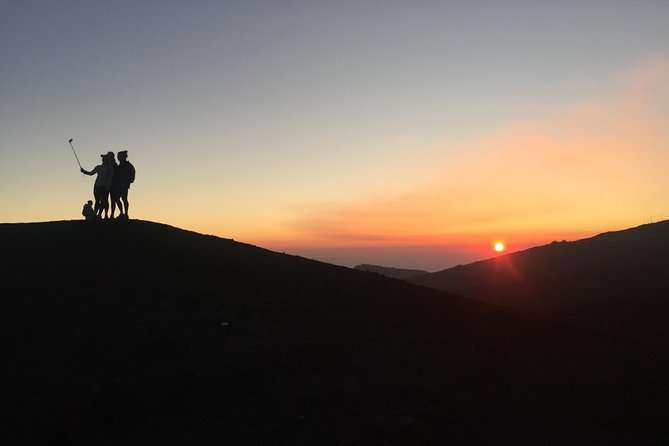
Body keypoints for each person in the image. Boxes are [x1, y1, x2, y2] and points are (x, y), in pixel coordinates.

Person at [81, 152, 115, 219]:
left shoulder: (110, 168)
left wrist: (108, 185)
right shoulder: (98, 167)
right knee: (97, 200)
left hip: (105, 186)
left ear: (107, 159)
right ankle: (96, 214)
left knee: (104, 201)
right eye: (103, 158)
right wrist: (84, 171)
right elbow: (91, 173)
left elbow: (110, 178)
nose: (103, 159)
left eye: (104, 158)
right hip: (97, 186)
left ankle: (103, 214)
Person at [111, 150, 135, 219]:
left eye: (119, 156)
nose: (118, 158)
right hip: (118, 185)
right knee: (117, 199)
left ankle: (126, 214)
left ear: (123, 157)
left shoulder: (128, 166)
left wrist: (126, 183)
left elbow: (131, 176)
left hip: (124, 185)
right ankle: (122, 213)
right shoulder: (120, 165)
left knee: (124, 198)